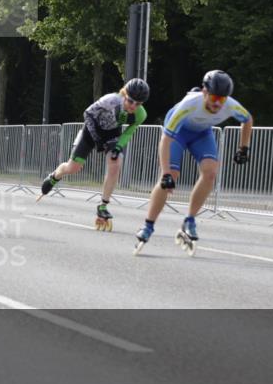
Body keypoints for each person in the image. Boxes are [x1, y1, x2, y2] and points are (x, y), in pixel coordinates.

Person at [134, 70, 253, 255]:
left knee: (211, 172)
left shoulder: (230, 105)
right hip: (177, 134)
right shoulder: (188, 105)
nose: (217, 104)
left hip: (202, 133)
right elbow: (165, 141)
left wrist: (243, 148)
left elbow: (248, 119)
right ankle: (148, 225)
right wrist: (165, 172)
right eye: (214, 97)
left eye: (222, 100)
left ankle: (189, 220)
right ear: (204, 92)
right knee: (170, 177)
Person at [38, 78, 150, 231]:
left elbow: (129, 132)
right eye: (130, 101)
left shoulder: (140, 115)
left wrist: (118, 147)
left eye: (138, 104)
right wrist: (97, 140)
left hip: (112, 134)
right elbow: (88, 114)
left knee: (116, 163)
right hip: (91, 131)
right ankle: (55, 175)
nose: (133, 106)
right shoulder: (110, 100)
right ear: (124, 94)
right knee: (74, 168)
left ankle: (103, 206)